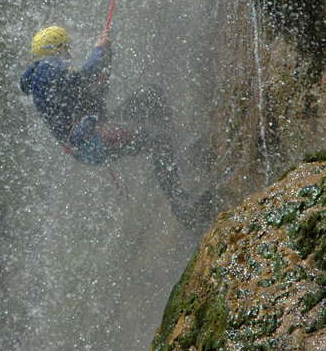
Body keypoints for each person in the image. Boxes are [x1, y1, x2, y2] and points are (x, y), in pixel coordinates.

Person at [19, 24, 212, 230]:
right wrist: (99, 48)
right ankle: (182, 205)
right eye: (65, 48)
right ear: (54, 50)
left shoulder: (47, 78)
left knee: (150, 95)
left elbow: (93, 92)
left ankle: (181, 151)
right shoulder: (48, 67)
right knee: (158, 140)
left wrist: (106, 57)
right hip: (91, 140)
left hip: (93, 131)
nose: (68, 53)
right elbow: (88, 73)